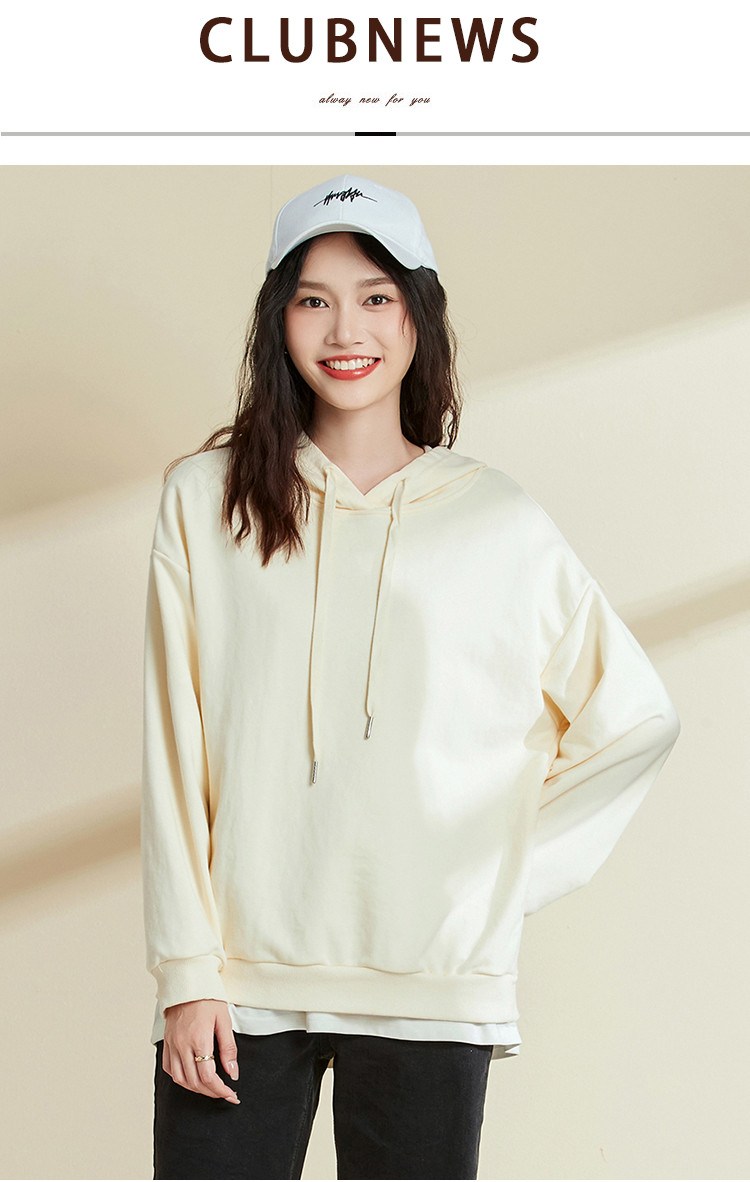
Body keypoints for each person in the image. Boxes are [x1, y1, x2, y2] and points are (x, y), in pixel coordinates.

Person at [140, 173, 681, 1180]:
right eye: (314, 298)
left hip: (434, 986)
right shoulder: (206, 501)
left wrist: (494, 880)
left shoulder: (498, 521)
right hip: (236, 985)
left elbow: (637, 719)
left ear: (418, 316)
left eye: (376, 296)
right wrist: (186, 971)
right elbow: (174, 743)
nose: (346, 329)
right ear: (278, 320)